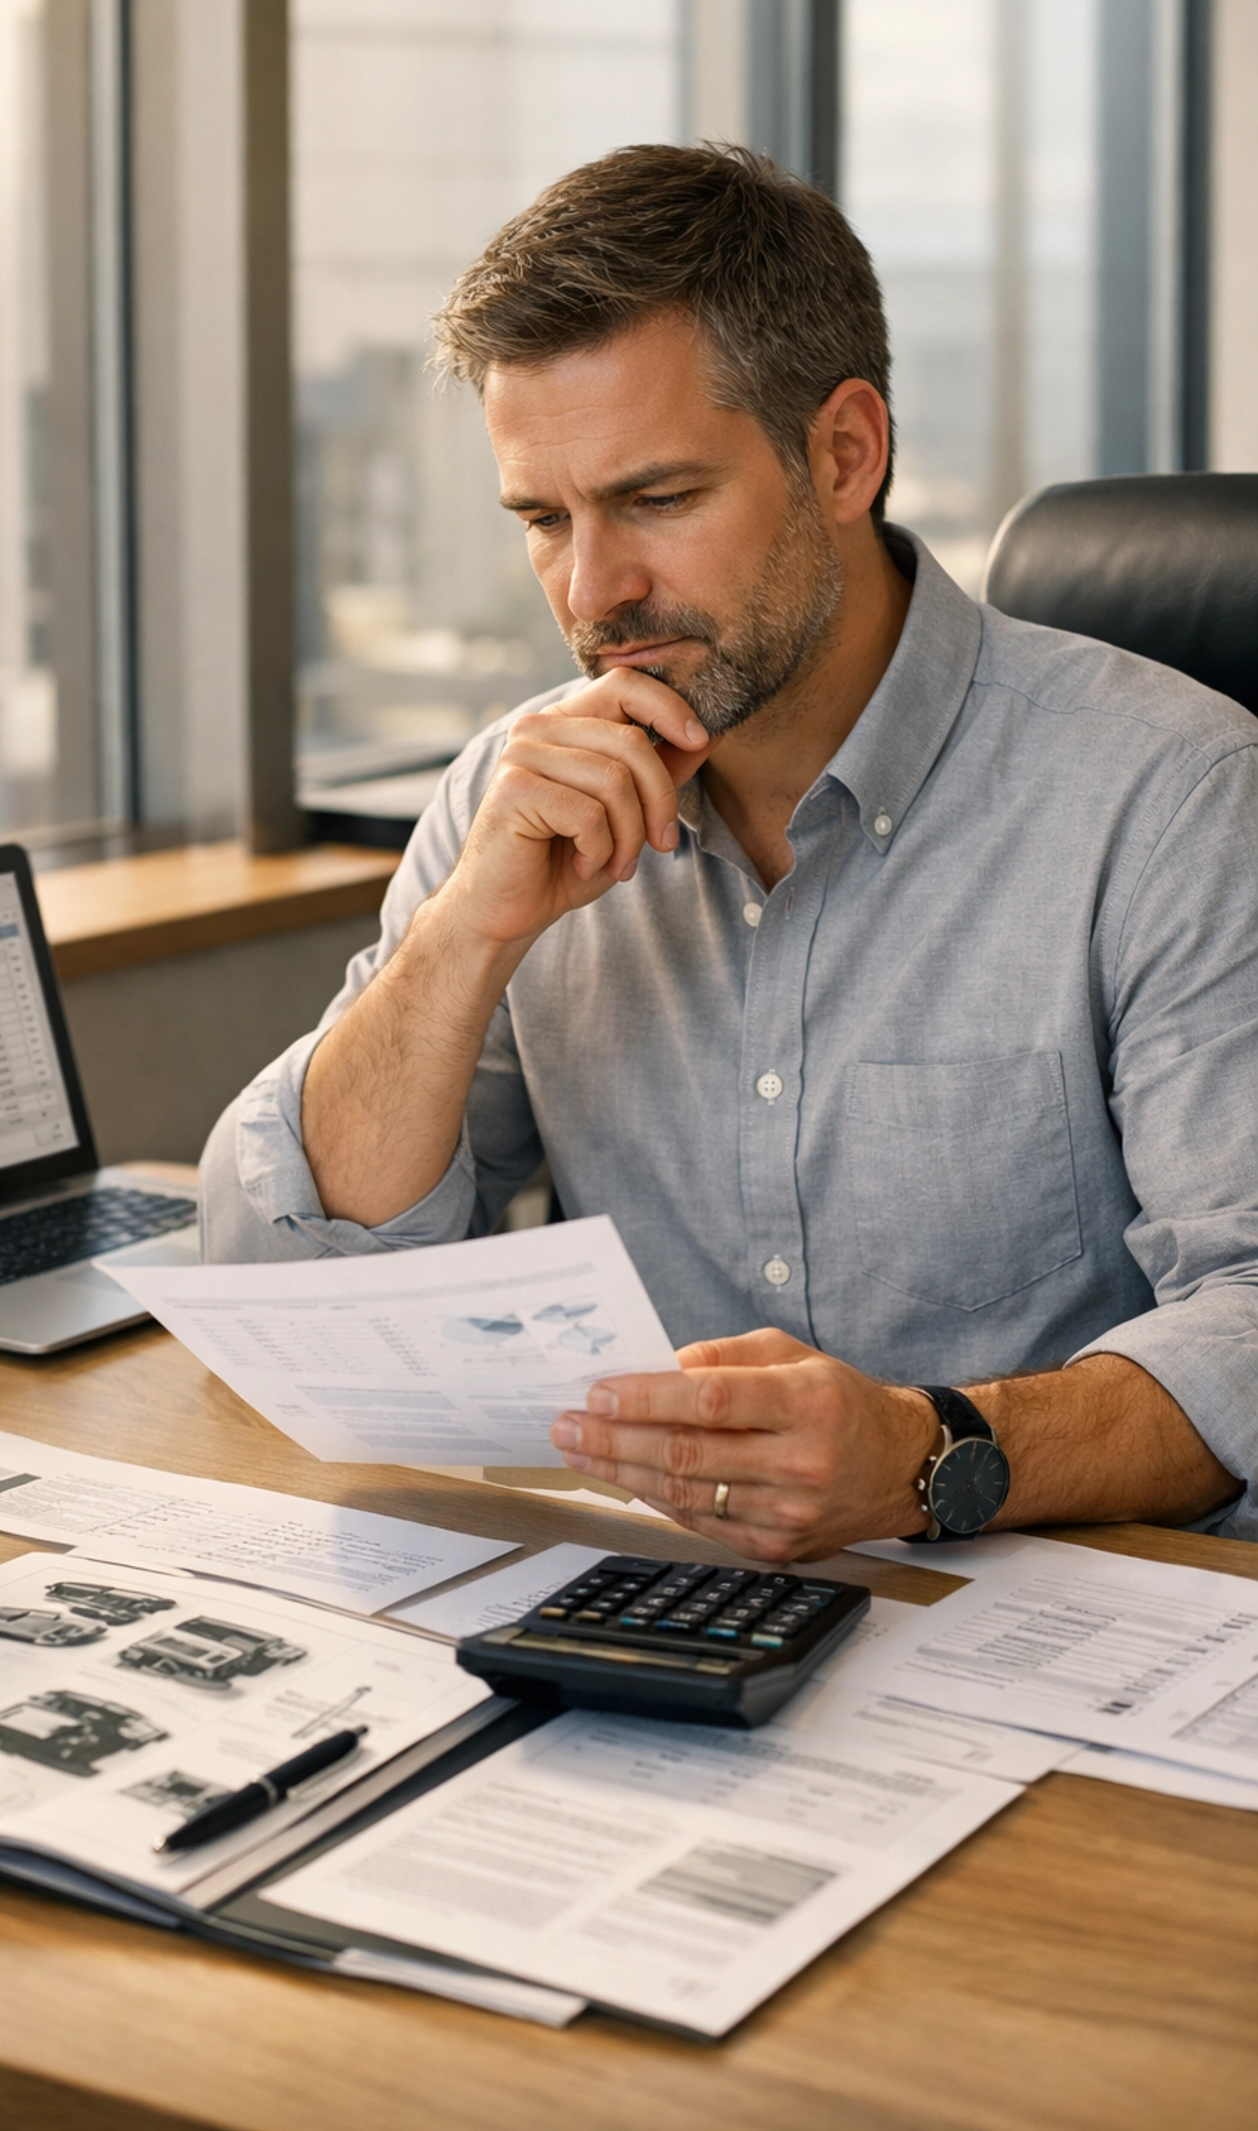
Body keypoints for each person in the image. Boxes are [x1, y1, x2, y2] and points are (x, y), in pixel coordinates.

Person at [201, 144, 1257, 1555]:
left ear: (844, 453)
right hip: (654, 1607)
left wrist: (928, 1450)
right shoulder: (514, 797)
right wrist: (466, 936)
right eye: (541, 519)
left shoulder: (1170, 794)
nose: (592, 591)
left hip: (1042, 1606)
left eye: (656, 500)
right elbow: (285, 1283)